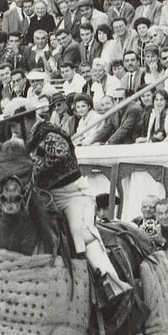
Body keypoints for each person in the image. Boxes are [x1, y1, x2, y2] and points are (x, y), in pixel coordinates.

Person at [22, 123, 132, 301]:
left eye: (14, 123)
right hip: (43, 197)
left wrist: (28, 167)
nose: (12, 128)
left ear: (26, 119)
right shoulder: (21, 141)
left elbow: (60, 154)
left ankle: (111, 282)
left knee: (80, 232)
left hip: (73, 194)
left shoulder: (51, 135)